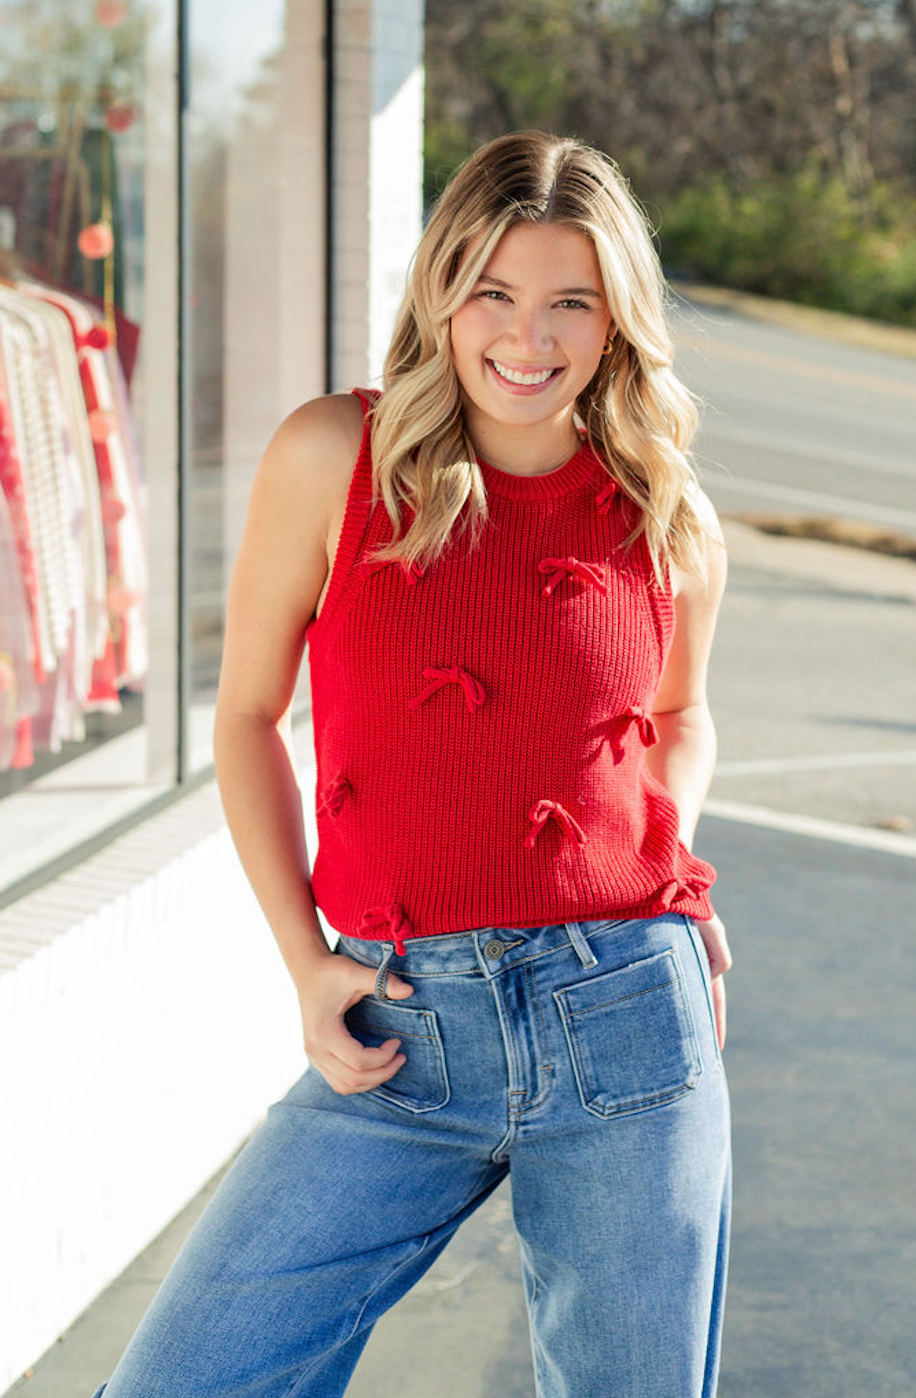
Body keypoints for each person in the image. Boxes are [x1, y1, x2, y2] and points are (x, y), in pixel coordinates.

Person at [92, 129, 732, 1398]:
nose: (526, 338)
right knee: (187, 1378)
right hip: (397, 1032)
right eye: (493, 292)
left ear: (616, 323)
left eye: (570, 302)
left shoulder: (666, 508)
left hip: (626, 1019)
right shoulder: (336, 457)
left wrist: (670, 863)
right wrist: (303, 963)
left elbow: (681, 715)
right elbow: (245, 719)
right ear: (441, 291)